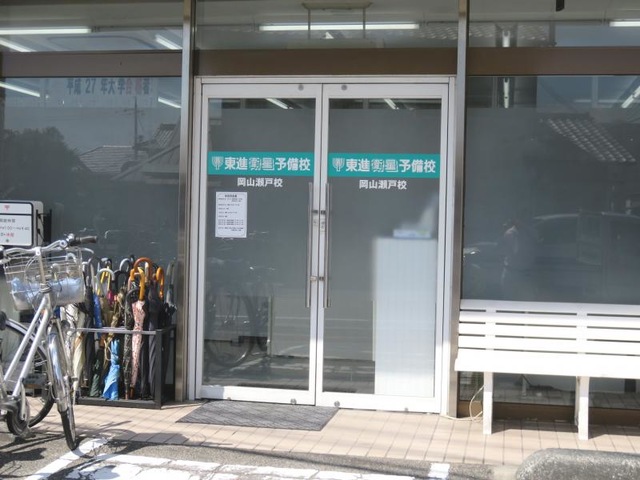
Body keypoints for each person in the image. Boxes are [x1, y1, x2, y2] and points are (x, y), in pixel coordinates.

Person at [500, 216, 537, 300]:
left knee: (527, 302)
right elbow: (515, 251)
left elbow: (536, 247)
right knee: (510, 301)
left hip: (527, 274)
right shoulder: (510, 233)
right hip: (511, 273)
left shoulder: (531, 232)